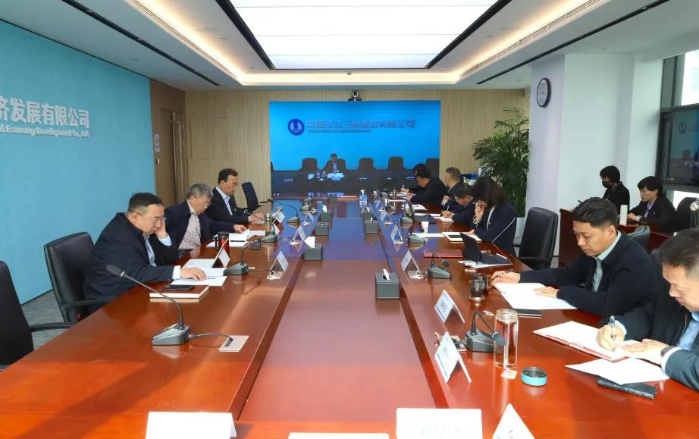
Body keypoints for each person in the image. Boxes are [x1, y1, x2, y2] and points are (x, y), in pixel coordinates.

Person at [492, 197, 658, 317]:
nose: (580, 242)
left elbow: (608, 306)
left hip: (623, 334)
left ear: (610, 231)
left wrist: (564, 292)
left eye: (586, 236)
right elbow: (566, 274)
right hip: (591, 317)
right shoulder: (593, 249)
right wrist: (520, 277)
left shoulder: (634, 260)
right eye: (577, 235)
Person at [596, 229, 699, 392]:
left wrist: (664, 354)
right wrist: (618, 328)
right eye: (669, 284)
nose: (671, 293)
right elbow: (646, 316)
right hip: (661, 392)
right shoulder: (675, 299)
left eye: (679, 288)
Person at [83, 193, 206, 303]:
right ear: (135, 216)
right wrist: (178, 272)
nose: (160, 224)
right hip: (113, 301)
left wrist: (163, 236)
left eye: (162, 218)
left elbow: (170, 261)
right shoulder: (117, 237)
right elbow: (136, 272)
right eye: (156, 219)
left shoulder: (146, 229)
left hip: (141, 288)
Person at [166, 183, 247, 250]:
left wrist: (233, 226)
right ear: (192, 198)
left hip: (199, 250)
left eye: (208, 203)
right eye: (205, 203)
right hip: (182, 254)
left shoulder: (199, 212)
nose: (206, 207)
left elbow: (212, 224)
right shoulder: (174, 212)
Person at [467, 176, 517, 256]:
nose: (479, 202)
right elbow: (473, 228)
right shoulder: (489, 207)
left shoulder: (507, 211)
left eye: (481, 198)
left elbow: (488, 237)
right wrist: (478, 217)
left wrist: (476, 231)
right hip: (487, 250)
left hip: (503, 255)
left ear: (489, 196)